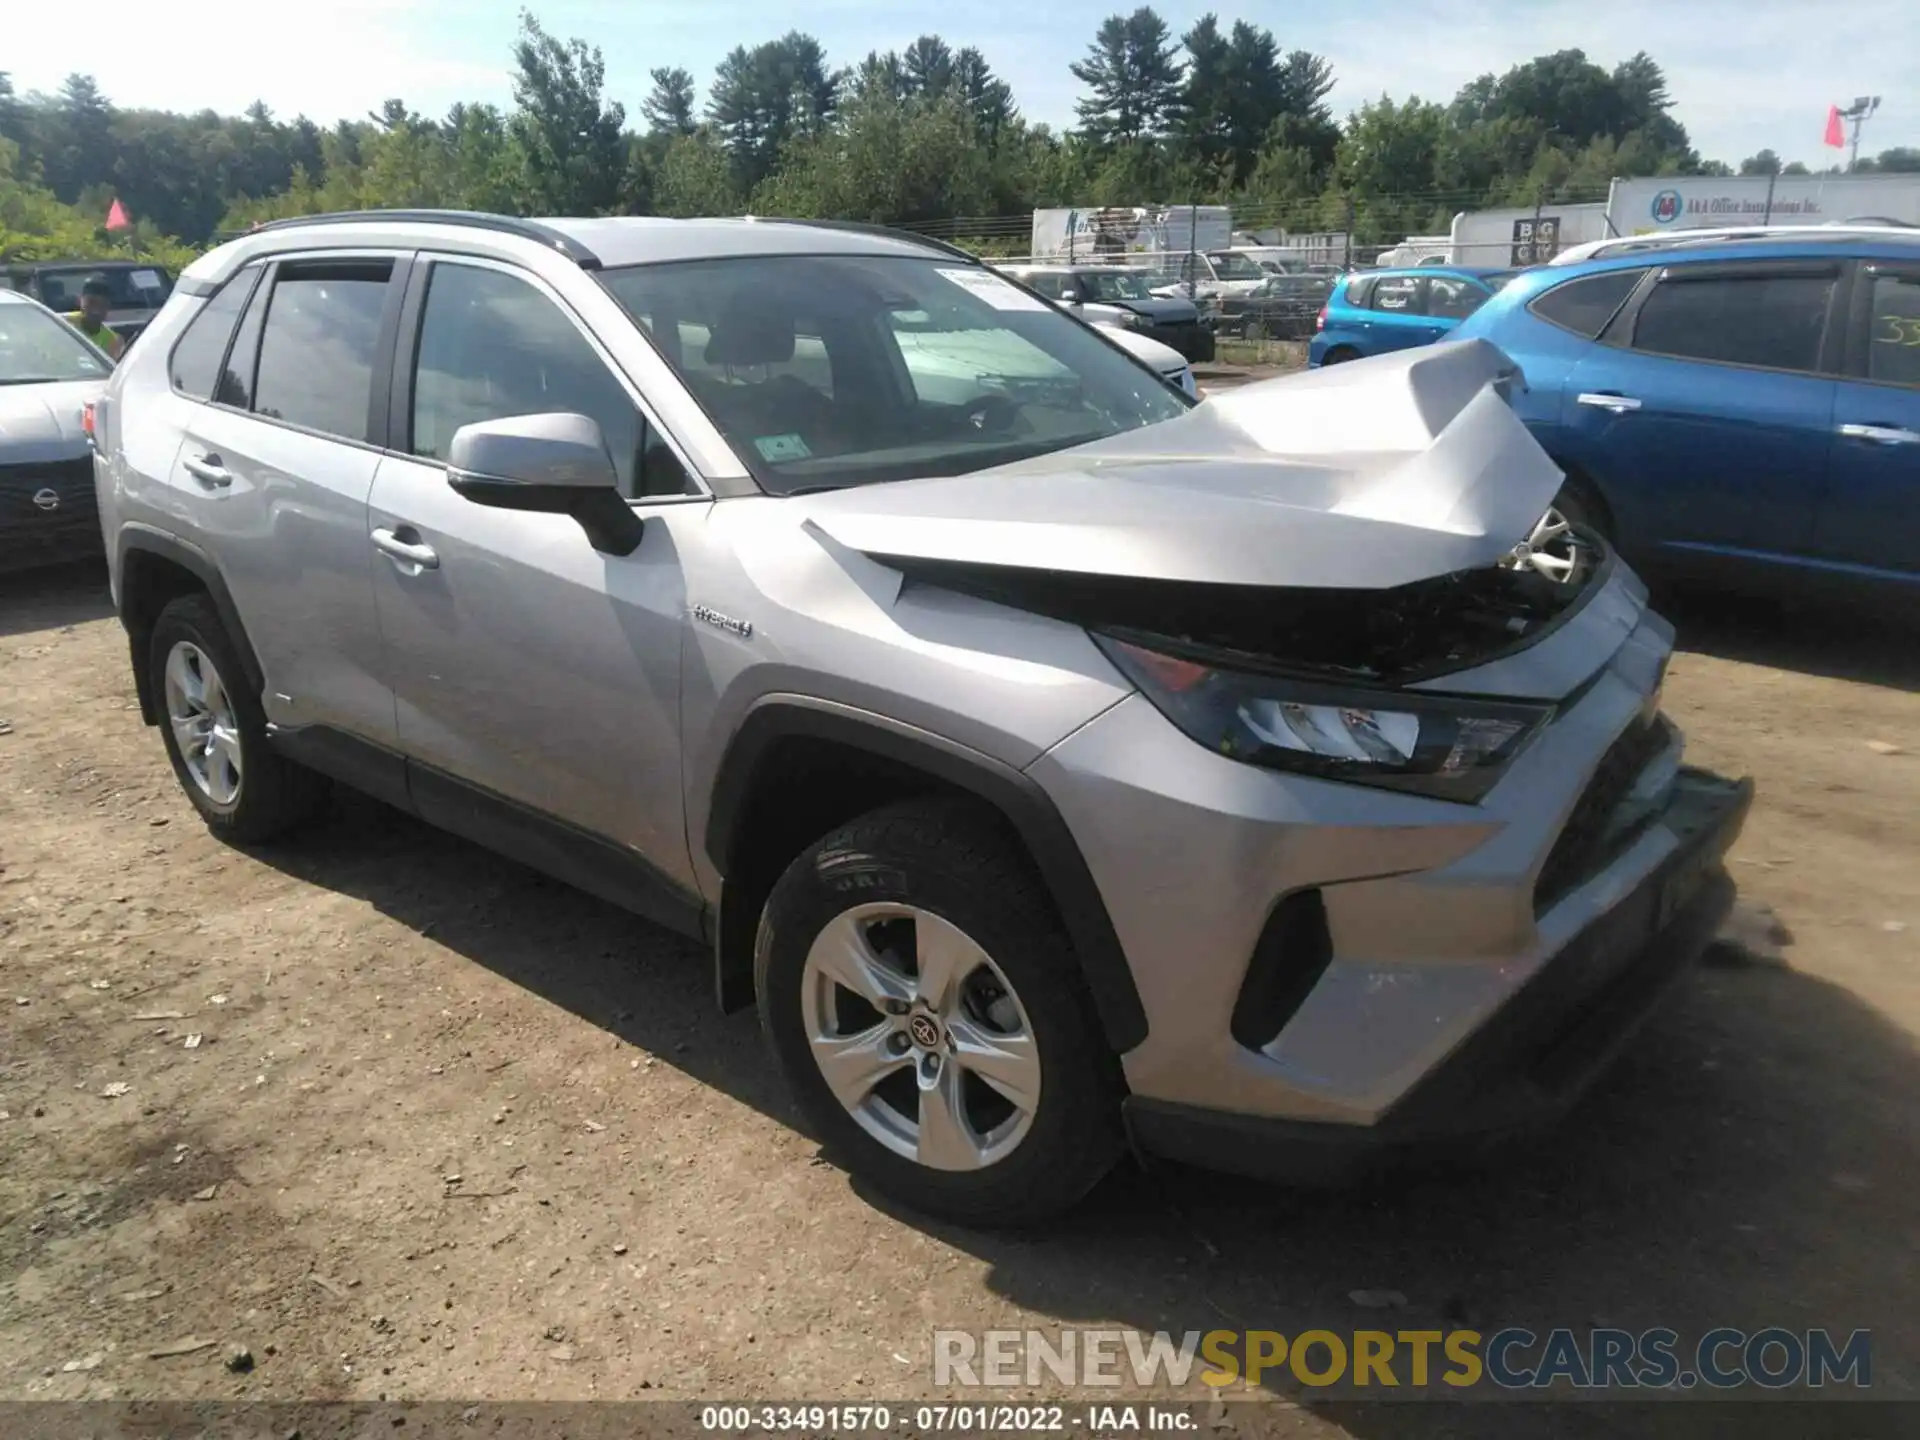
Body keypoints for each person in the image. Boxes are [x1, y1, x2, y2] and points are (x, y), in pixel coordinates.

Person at [66, 276, 125, 361]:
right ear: (80, 301)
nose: (96, 309)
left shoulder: (112, 341)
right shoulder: (64, 324)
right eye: (91, 302)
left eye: (102, 304)